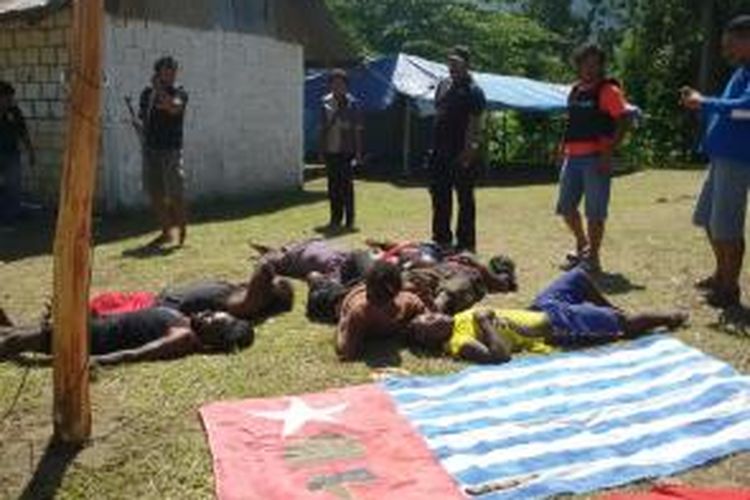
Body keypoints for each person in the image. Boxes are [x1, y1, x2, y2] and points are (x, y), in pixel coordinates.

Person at [409, 268, 687, 364]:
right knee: (623, 326)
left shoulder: (453, 317)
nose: (434, 318)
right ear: (432, 341)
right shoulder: (459, 343)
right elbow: (500, 356)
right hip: (558, 326)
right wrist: (484, 323)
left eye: (429, 317)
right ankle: (668, 318)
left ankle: (612, 311)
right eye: (429, 325)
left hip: (540, 308)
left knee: (577, 276)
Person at [683, 15, 750, 308]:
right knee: (709, 219)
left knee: (727, 226)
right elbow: (733, 111)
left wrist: (704, 102)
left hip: (737, 159)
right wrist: (703, 105)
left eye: (731, 44)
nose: (726, 51)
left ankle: (730, 287)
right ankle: (721, 273)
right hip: (721, 157)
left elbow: (746, 108)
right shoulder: (741, 72)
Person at [557, 44, 631, 272]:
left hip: (595, 158)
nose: (590, 68)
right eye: (585, 63)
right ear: (578, 65)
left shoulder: (608, 91)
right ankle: (582, 245)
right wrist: (562, 147)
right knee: (566, 207)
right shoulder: (575, 90)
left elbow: (624, 118)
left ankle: (594, 258)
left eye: (595, 64)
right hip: (572, 157)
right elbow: (572, 121)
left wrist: (609, 152)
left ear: (601, 66)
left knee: (595, 212)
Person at [0, 307, 253, 366]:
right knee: (11, 332)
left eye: (211, 320)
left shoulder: (183, 337)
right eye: (212, 312)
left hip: (88, 339)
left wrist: (92, 363)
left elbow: (135, 354)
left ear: (215, 339)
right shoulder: (182, 318)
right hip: (91, 325)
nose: (206, 313)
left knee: (13, 341)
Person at [430, 46, 486, 253]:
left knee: (464, 198)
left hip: (461, 151)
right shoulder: (443, 85)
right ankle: (442, 239)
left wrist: (470, 149)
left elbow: (476, 123)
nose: (451, 66)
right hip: (439, 150)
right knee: (439, 195)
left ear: (466, 64)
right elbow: (439, 112)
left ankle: (466, 243)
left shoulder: (474, 90)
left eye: (456, 62)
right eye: (450, 62)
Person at [137, 56, 189, 247]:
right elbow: (144, 118)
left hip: (172, 150)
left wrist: (159, 90)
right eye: (167, 70)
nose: (172, 74)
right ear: (158, 72)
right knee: (155, 193)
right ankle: (166, 232)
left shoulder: (180, 92)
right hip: (151, 149)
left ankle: (182, 230)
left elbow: (174, 108)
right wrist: (141, 128)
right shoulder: (146, 94)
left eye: (174, 70)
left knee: (176, 193)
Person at [336, 261, 427, 361]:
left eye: (379, 298)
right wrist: (343, 321)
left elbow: (430, 322)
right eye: (370, 297)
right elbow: (346, 352)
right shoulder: (359, 313)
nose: (373, 303)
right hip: (343, 295)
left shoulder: (409, 303)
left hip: (360, 285)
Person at [155, 261, 294, 321]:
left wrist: (268, 272)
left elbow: (262, 271)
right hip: (166, 298)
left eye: (273, 282)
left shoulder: (243, 304)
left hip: (164, 307)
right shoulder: (237, 291)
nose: (274, 277)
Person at [319, 69, 364, 231]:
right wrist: (321, 150)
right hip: (331, 149)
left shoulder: (354, 103)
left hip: (347, 150)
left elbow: (358, 130)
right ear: (330, 85)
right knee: (333, 186)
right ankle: (335, 218)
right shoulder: (325, 102)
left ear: (346, 85)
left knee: (346, 186)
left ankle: (350, 220)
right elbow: (322, 129)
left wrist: (358, 153)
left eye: (341, 83)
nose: (337, 86)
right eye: (334, 83)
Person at [0, 81, 34, 223]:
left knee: (13, 184)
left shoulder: (14, 112)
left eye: (11, 98)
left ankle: (12, 213)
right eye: (7, 98)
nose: (10, 101)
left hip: (10, 154)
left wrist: (30, 151)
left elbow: (23, 132)